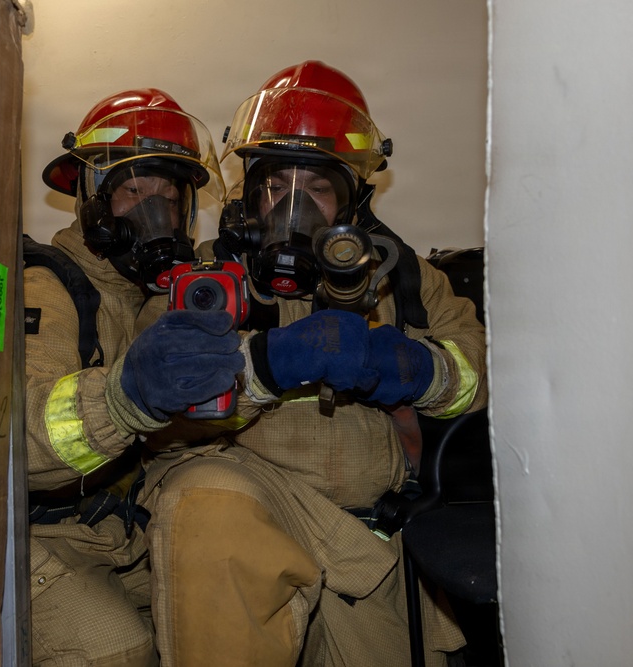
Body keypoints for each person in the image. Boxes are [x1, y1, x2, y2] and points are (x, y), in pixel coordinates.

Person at [138, 61, 489, 666]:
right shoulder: (202, 281)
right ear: (250, 194)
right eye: (277, 185)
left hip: (369, 542)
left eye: (316, 188)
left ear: (351, 201)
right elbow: (150, 387)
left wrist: (419, 369)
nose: (292, 206)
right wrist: (263, 368)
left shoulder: (404, 279)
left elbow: (479, 381)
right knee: (206, 505)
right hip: (250, 502)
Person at [24, 88, 242, 665]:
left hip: (119, 528)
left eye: (167, 196)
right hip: (40, 535)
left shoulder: (158, 297)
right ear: (93, 202)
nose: (153, 213)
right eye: (133, 191)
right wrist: (124, 397)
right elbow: (18, 442)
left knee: (223, 610)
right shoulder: (49, 287)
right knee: (115, 650)